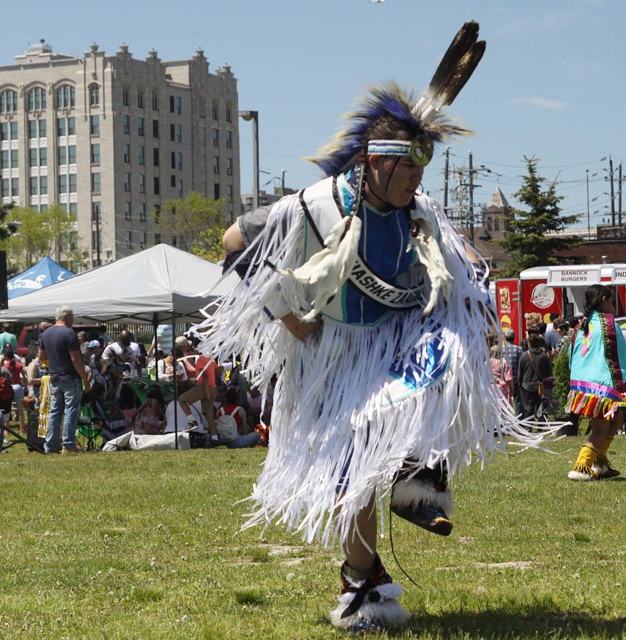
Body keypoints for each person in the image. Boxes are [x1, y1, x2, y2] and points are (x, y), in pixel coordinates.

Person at [191, 23, 550, 632]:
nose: (417, 183)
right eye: (407, 171)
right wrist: (287, 317)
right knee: (350, 476)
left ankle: (416, 475)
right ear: (375, 165)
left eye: (421, 171)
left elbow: (461, 277)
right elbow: (234, 241)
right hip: (334, 355)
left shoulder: (420, 212)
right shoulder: (315, 204)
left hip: (401, 344)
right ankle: (362, 579)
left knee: (452, 352)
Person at [566, 284, 626, 481]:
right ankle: (581, 467)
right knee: (600, 429)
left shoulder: (582, 325)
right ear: (604, 299)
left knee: (617, 419)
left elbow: (573, 356)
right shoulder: (609, 325)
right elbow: (622, 355)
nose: (612, 305)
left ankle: (600, 463)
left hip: (585, 385)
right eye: (611, 301)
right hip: (601, 387)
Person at [37, 305, 92, 454]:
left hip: (54, 377)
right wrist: (85, 380)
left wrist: (54, 364)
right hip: (70, 377)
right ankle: (68, 445)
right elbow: (76, 359)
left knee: (55, 411)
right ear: (67, 316)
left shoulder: (46, 334)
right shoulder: (70, 333)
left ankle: (50, 446)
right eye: (72, 317)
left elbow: (41, 357)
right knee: (71, 410)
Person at [518, 334, 552, 419]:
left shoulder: (524, 355)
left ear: (529, 343)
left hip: (527, 385)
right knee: (541, 406)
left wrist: (520, 383)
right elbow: (549, 372)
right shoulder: (544, 356)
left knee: (528, 408)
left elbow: (520, 372)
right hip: (541, 385)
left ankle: (529, 426)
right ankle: (540, 426)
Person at [501, 329, 522, 413]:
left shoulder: (501, 349)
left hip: (504, 379)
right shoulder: (519, 349)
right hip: (516, 378)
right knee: (518, 400)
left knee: (503, 399)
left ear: (505, 337)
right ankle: (518, 419)